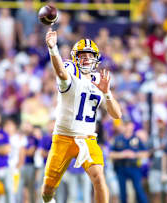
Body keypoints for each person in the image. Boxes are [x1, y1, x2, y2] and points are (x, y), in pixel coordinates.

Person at [41, 28, 122, 203]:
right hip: (62, 137)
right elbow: (62, 73)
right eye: (82, 55)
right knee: (47, 189)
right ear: (75, 58)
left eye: (89, 55)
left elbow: (117, 114)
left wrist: (107, 93)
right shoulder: (70, 70)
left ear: (96, 59)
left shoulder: (99, 81)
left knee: (99, 177)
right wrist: (53, 49)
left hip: (87, 139)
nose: (86, 59)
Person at [109, 121, 148, 203]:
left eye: (129, 125)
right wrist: (122, 154)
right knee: (122, 192)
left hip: (134, 167)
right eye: (126, 125)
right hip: (121, 167)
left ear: (132, 126)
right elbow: (111, 154)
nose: (127, 127)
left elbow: (145, 153)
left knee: (138, 190)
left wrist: (135, 154)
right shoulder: (118, 139)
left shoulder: (136, 139)